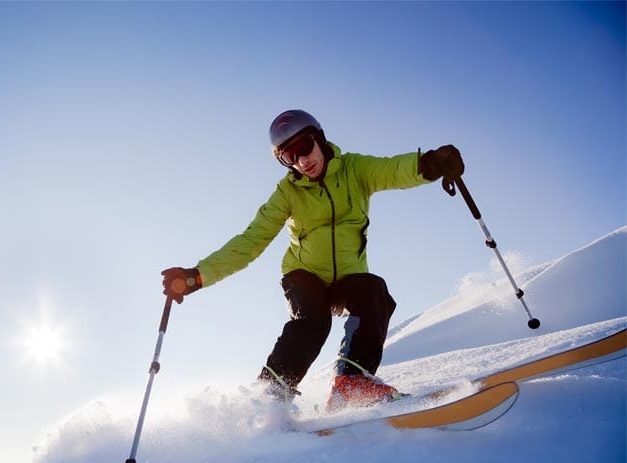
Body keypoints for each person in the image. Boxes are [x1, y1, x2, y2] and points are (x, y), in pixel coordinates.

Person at [162, 109, 464, 411]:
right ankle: (270, 395)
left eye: (304, 148)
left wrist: (429, 164)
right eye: (289, 157)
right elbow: (250, 241)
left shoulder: (354, 170)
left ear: (319, 138)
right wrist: (198, 276)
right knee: (313, 321)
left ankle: (351, 383)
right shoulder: (287, 193)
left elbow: (392, 170)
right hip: (304, 275)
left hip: (348, 277)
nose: (302, 161)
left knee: (375, 292)